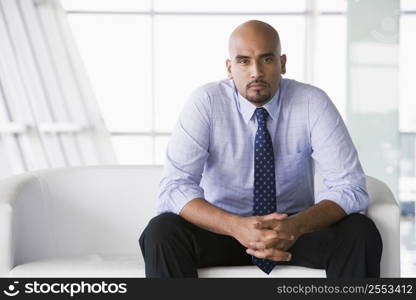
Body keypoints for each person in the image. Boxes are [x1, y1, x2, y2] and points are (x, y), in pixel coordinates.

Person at [139, 20, 382, 278]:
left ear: (282, 63)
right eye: (244, 61)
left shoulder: (312, 102)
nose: (256, 72)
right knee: (161, 231)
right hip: (224, 230)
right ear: (230, 68)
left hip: (293, 230)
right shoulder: (206, 103)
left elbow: (350, 186)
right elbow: (174, 187)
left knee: (359, 231)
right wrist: (235, 226)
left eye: (266, 59)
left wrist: (295, 226)